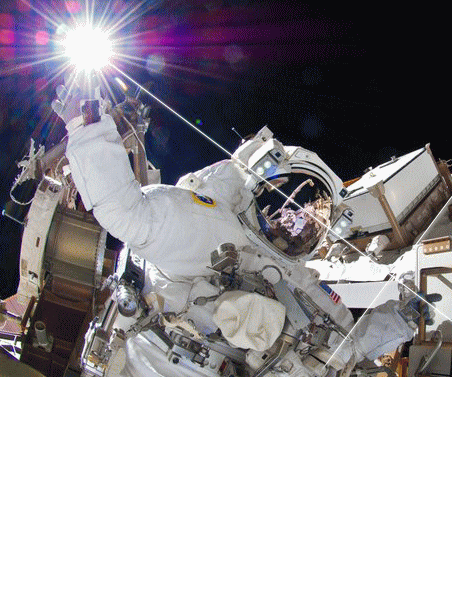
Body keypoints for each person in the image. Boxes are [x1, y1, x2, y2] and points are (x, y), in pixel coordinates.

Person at [52, 75, 417, 376]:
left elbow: (346, 342)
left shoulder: (298, 279)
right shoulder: (206, 225)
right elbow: (124, 211)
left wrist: (401, 320)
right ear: (258, 193)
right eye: (293, 212)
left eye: (311, 223)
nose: (296, 224)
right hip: (152, 369)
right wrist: (87, 121)